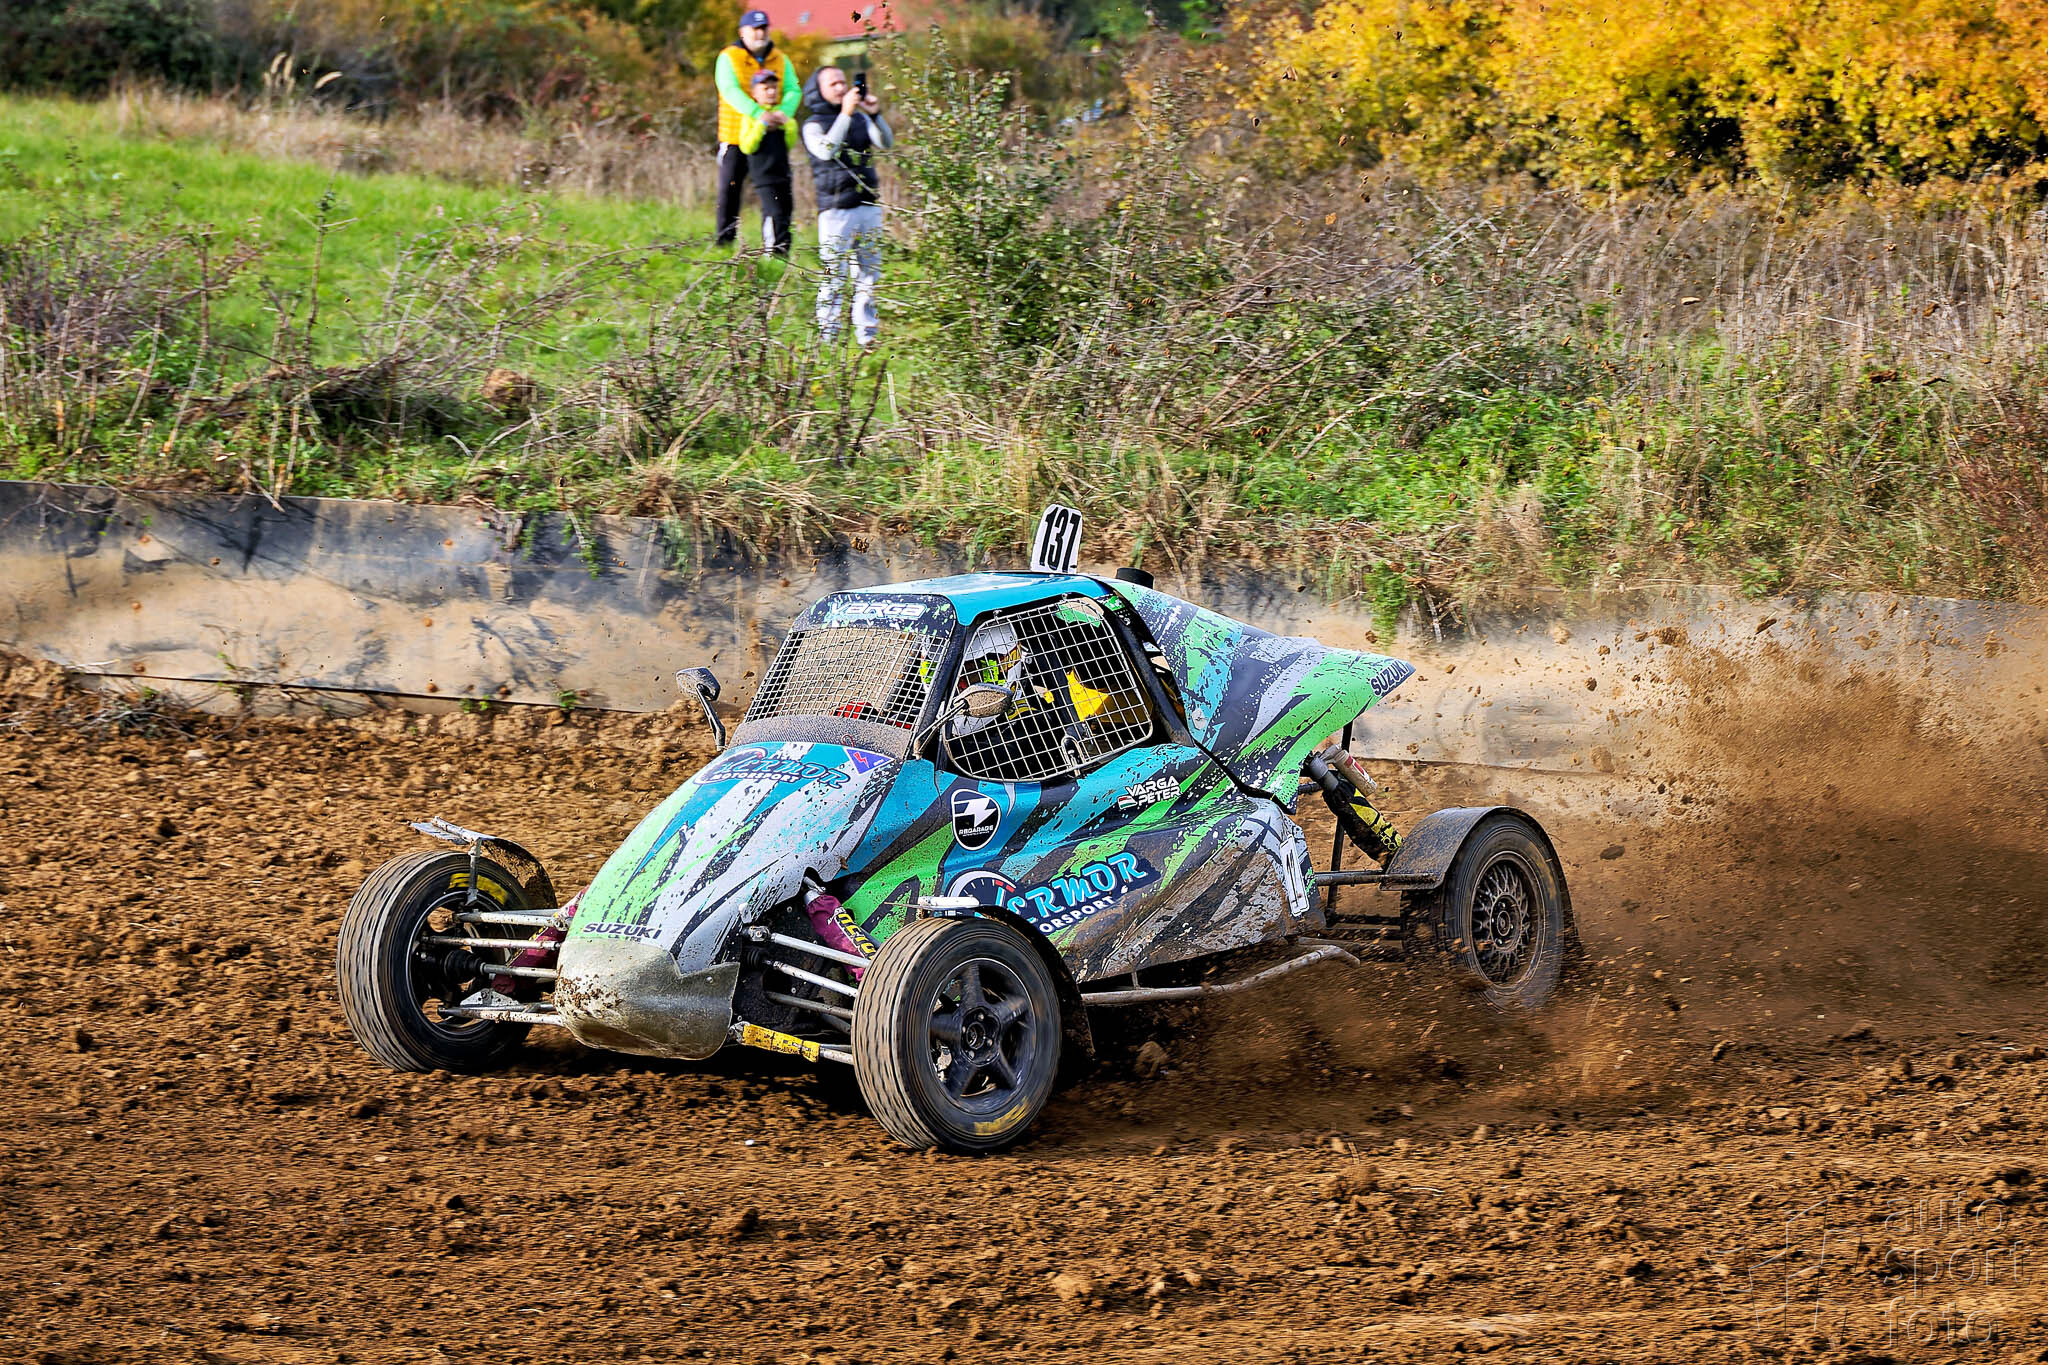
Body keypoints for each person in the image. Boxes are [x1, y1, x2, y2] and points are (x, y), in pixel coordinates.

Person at [800, 66, 893, 346]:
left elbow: (886, 142)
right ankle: (828, 338)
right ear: (818, 91)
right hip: (835, 210)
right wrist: (846, 114)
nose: (841, 87)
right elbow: (826, 150)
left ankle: (867, 337)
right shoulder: (812, 125)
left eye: (843, 82)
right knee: (833, 275)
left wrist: (874, 114)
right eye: (833, 84)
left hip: (868, 204)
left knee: (869, 275)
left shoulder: (860, 118)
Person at [714, 10, 799, 249]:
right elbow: (729, 90)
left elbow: (793, 89)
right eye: (755, 29)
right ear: (742, 32)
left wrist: (782, 113)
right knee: (729, 190)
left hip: (771, 136)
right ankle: (724, 244)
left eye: (764, 28)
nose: (760, 33)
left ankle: (774, 248)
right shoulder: (728, 57)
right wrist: (757, 113)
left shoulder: (780, 58)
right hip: (735, 136)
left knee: (774, 193)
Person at [735, 67, 798, 256]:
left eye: (774, 88)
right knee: (774, 213)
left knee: (786, 212)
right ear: (754, 94)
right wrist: (761, 125)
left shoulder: (781, 115)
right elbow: (747, 146)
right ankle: (770, 252)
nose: (771, 92)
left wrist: (788, 123)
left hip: (783, 173)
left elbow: (789, 142)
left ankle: (783, 253)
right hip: (764, 176)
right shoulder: (750, 118)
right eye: (766, 88)